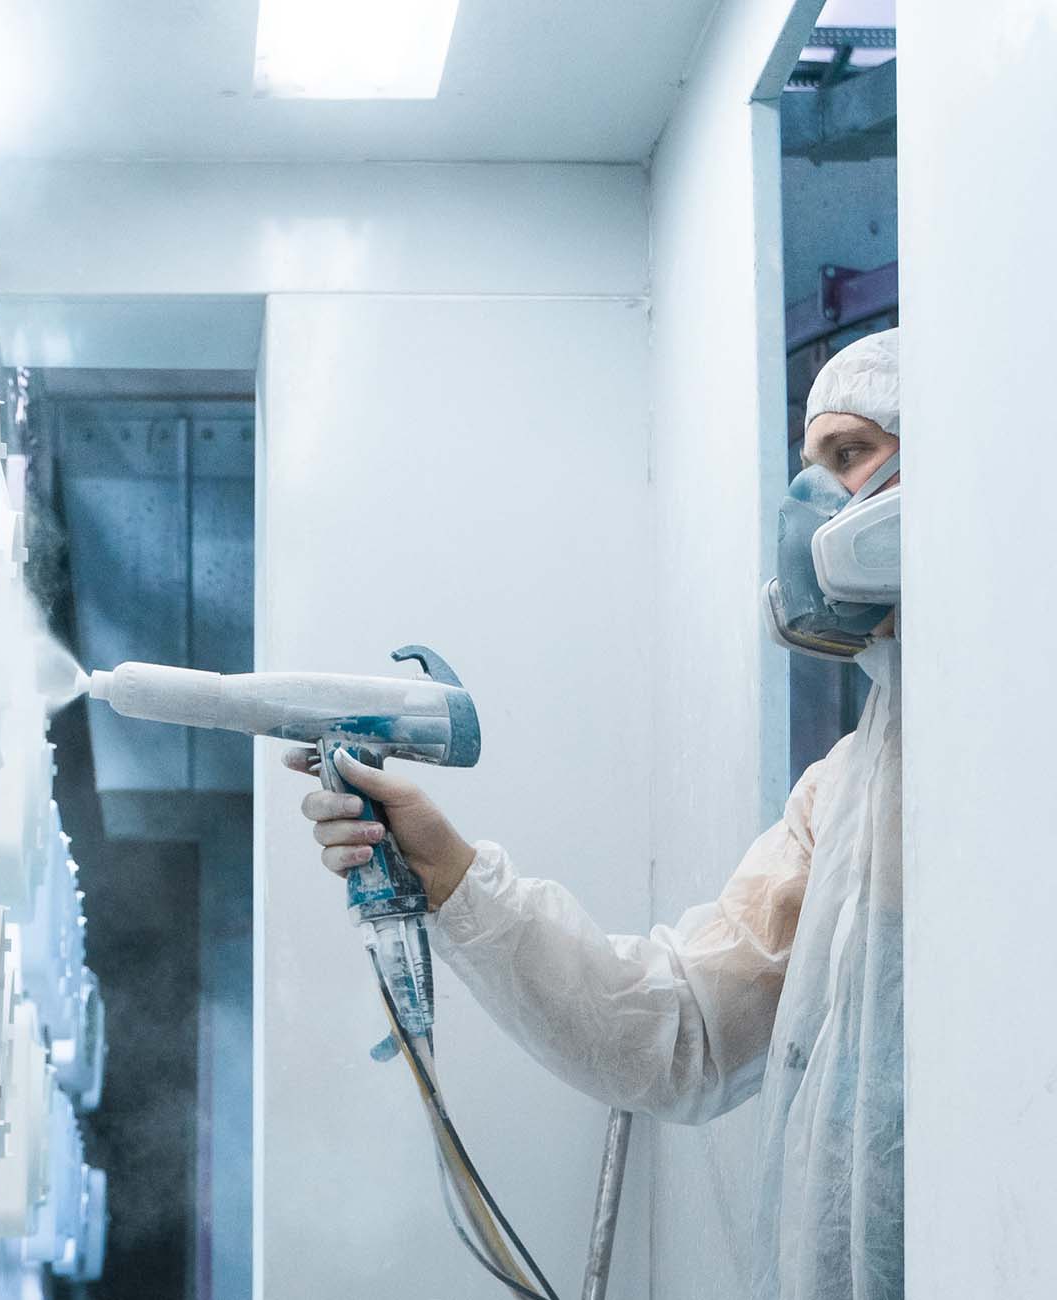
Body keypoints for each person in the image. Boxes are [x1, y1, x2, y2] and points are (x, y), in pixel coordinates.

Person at [287, 329, 905, 1300]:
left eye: (848, 455)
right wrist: (444, 867)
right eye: (807, 465)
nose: (808, 504)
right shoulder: (840, 793)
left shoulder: (1009, 765)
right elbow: (678, 1034)